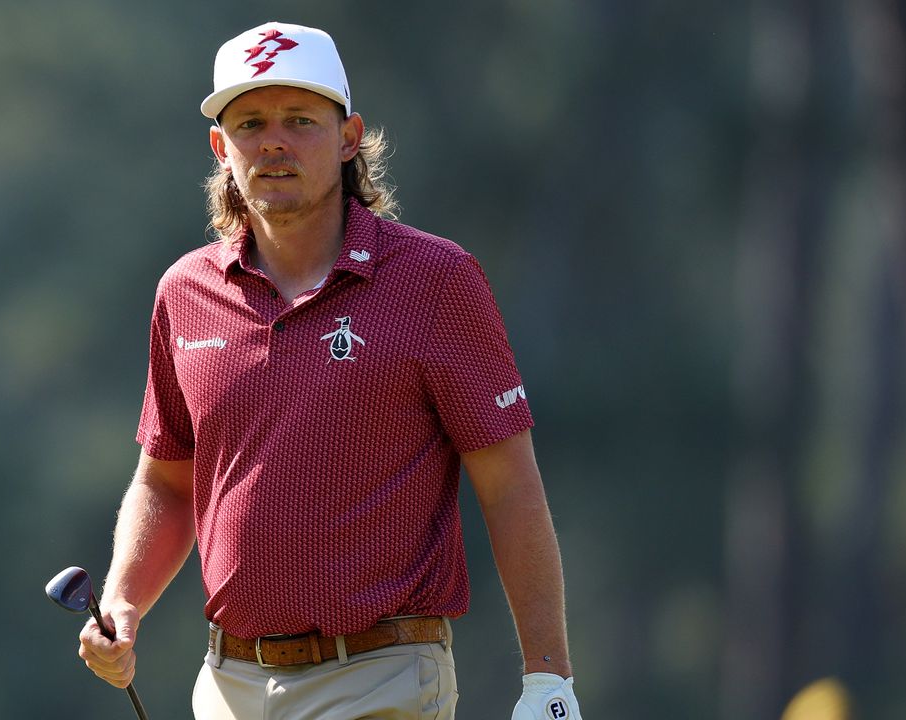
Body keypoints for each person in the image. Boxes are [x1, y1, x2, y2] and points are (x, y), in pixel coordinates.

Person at [76, 21, 583, 720]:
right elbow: (166, 479)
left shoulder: (436, 281)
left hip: (383, 673)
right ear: (222, 148)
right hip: (229, 683)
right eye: (250, 123)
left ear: (349, 139)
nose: (274, 141)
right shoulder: (186, 293)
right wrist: (124, 603)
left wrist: (547, 681)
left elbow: (511, 487)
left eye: (301, 120)